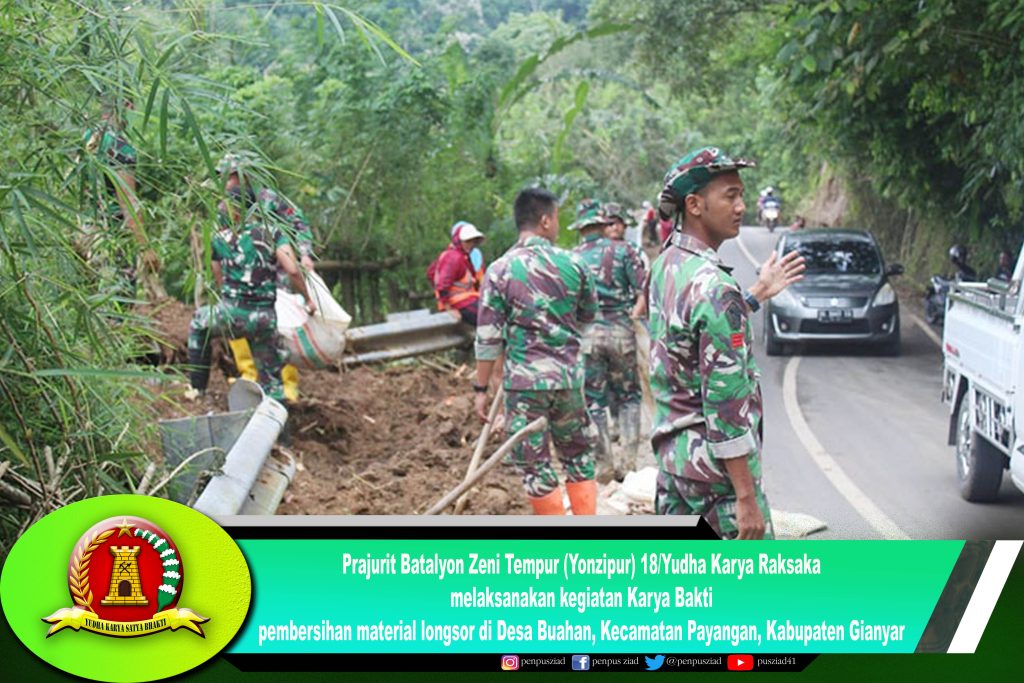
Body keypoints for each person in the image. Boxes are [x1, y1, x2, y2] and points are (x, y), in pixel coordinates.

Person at [648, 146, 805, 539]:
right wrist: (746, 497)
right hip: (715, 480)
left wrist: (754, 294)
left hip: (675, 464)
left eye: (742, 195)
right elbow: (726, 406)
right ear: (695, 204)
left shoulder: (667, 266)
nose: (741, 205)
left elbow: (689, 340)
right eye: (730, 195)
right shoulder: (715, 287)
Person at [474, 188, 599, 515]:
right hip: (569, 381)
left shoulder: (500, 270)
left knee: (535, 464)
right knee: (578, 457)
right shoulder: (575, 263)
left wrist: (480, 389)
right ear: (545, 221)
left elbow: (488, 337)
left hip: (524, 386)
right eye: (556, 218)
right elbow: (588, 316)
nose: (558, 224)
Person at [188, 185, 316, 403]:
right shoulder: (273, 233)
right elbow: (293, 270)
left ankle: (197, 389)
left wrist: (230, 303)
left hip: (230, 315)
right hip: (264, 320)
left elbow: (217, 274)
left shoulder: (220, 237)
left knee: (199, 324)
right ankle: (280, 433)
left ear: (232, 209)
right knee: (272, 381)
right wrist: (309, 298)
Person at [215, 153, 317, 402]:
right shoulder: (223, 205)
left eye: (228, 177)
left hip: (275, 275)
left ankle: (286, 383)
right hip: (239, 280)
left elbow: (298, 223)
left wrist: (304, 254)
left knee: (277, 329)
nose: (225, 183)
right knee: (240, 327)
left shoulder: (268, 199)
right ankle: (250, 378)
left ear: (242, 176)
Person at [570, 200, 646, 483]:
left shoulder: (573, 258)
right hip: (621, 332)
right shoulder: (624, 251)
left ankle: (603, 464)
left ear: (580, 228)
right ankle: (628, 464)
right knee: (629, 396)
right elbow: (643, 292)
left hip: (588, 336)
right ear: (603, 224)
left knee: (594, 400)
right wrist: (633, 318)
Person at [80, 99, 160, 296]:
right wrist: (145, 247)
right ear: (127, 106)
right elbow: (128, 203)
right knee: (117, 302)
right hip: (114, 240)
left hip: (87, 234)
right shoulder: (119, 146)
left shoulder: (86, 137)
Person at [429, 221, 486, 325]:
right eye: (467, 241)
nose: (471, 245)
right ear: (459, 241)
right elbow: (442, 285)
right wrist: (448, 309)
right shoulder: (452, 257)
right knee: (489, 317)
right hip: (458, 303)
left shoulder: (464, 257)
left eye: (473, 241)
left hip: (468, 299)